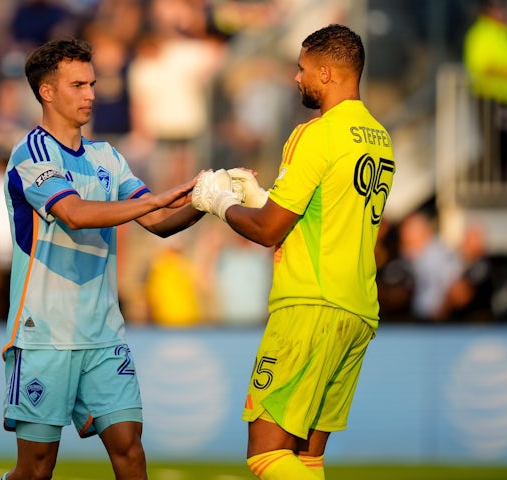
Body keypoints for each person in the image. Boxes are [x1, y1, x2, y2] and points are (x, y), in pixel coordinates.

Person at [191, 24, 395, 479]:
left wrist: (218, 203)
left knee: (266, 453)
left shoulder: (315, 133)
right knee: (306, 456)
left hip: (308, 304)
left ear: (325, 72)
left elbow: (268, 232)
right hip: (358, 308)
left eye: (302, 69)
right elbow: (322, 213)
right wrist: (262, 196)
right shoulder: (380, 137)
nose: (296, 78)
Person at [0, 38, 205, 480]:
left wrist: (209, 201)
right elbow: (74, 214)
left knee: (129, 449)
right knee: (35, 471)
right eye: (78, 84)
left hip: (103, 334)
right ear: (47, 92)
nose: (91, 94)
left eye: (92, 83)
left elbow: (159, 222)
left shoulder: (107, 157)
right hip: (44, 336)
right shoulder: (31, 155)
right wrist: (160, 199)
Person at [463, 0, 507, 185]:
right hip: (493, 99)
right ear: (488, 12)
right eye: (499, 9)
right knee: (497, 146)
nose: (505, 12)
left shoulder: (505, 33)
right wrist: (505, 72)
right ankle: (499, 184)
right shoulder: (481, 34)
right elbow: (480, 65)